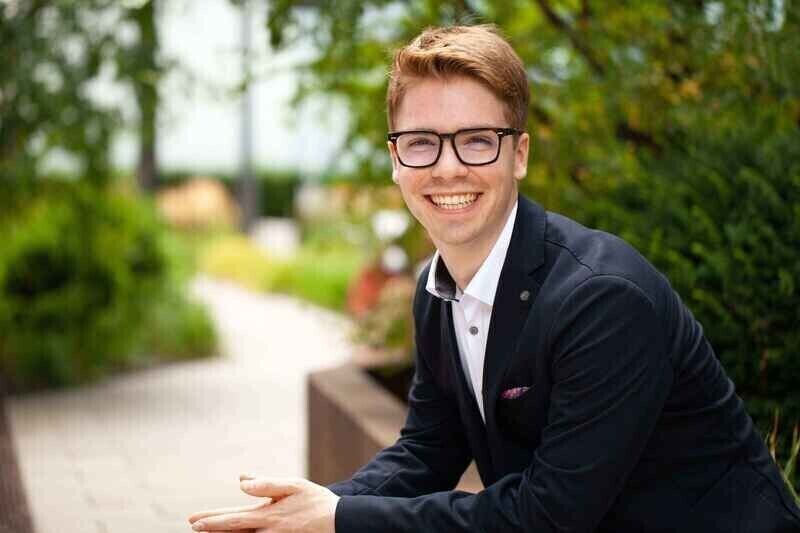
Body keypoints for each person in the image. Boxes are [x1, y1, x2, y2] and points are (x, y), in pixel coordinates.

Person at [188, 24, 800, 533]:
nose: (447, 168)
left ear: (520, 154)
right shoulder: (436, 291)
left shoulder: (603, 300)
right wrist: (315, 507)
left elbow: (550, 515)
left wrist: (342, 519)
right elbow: (428, 449)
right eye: (421, 143)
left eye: (477, 141)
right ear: (395, 159)